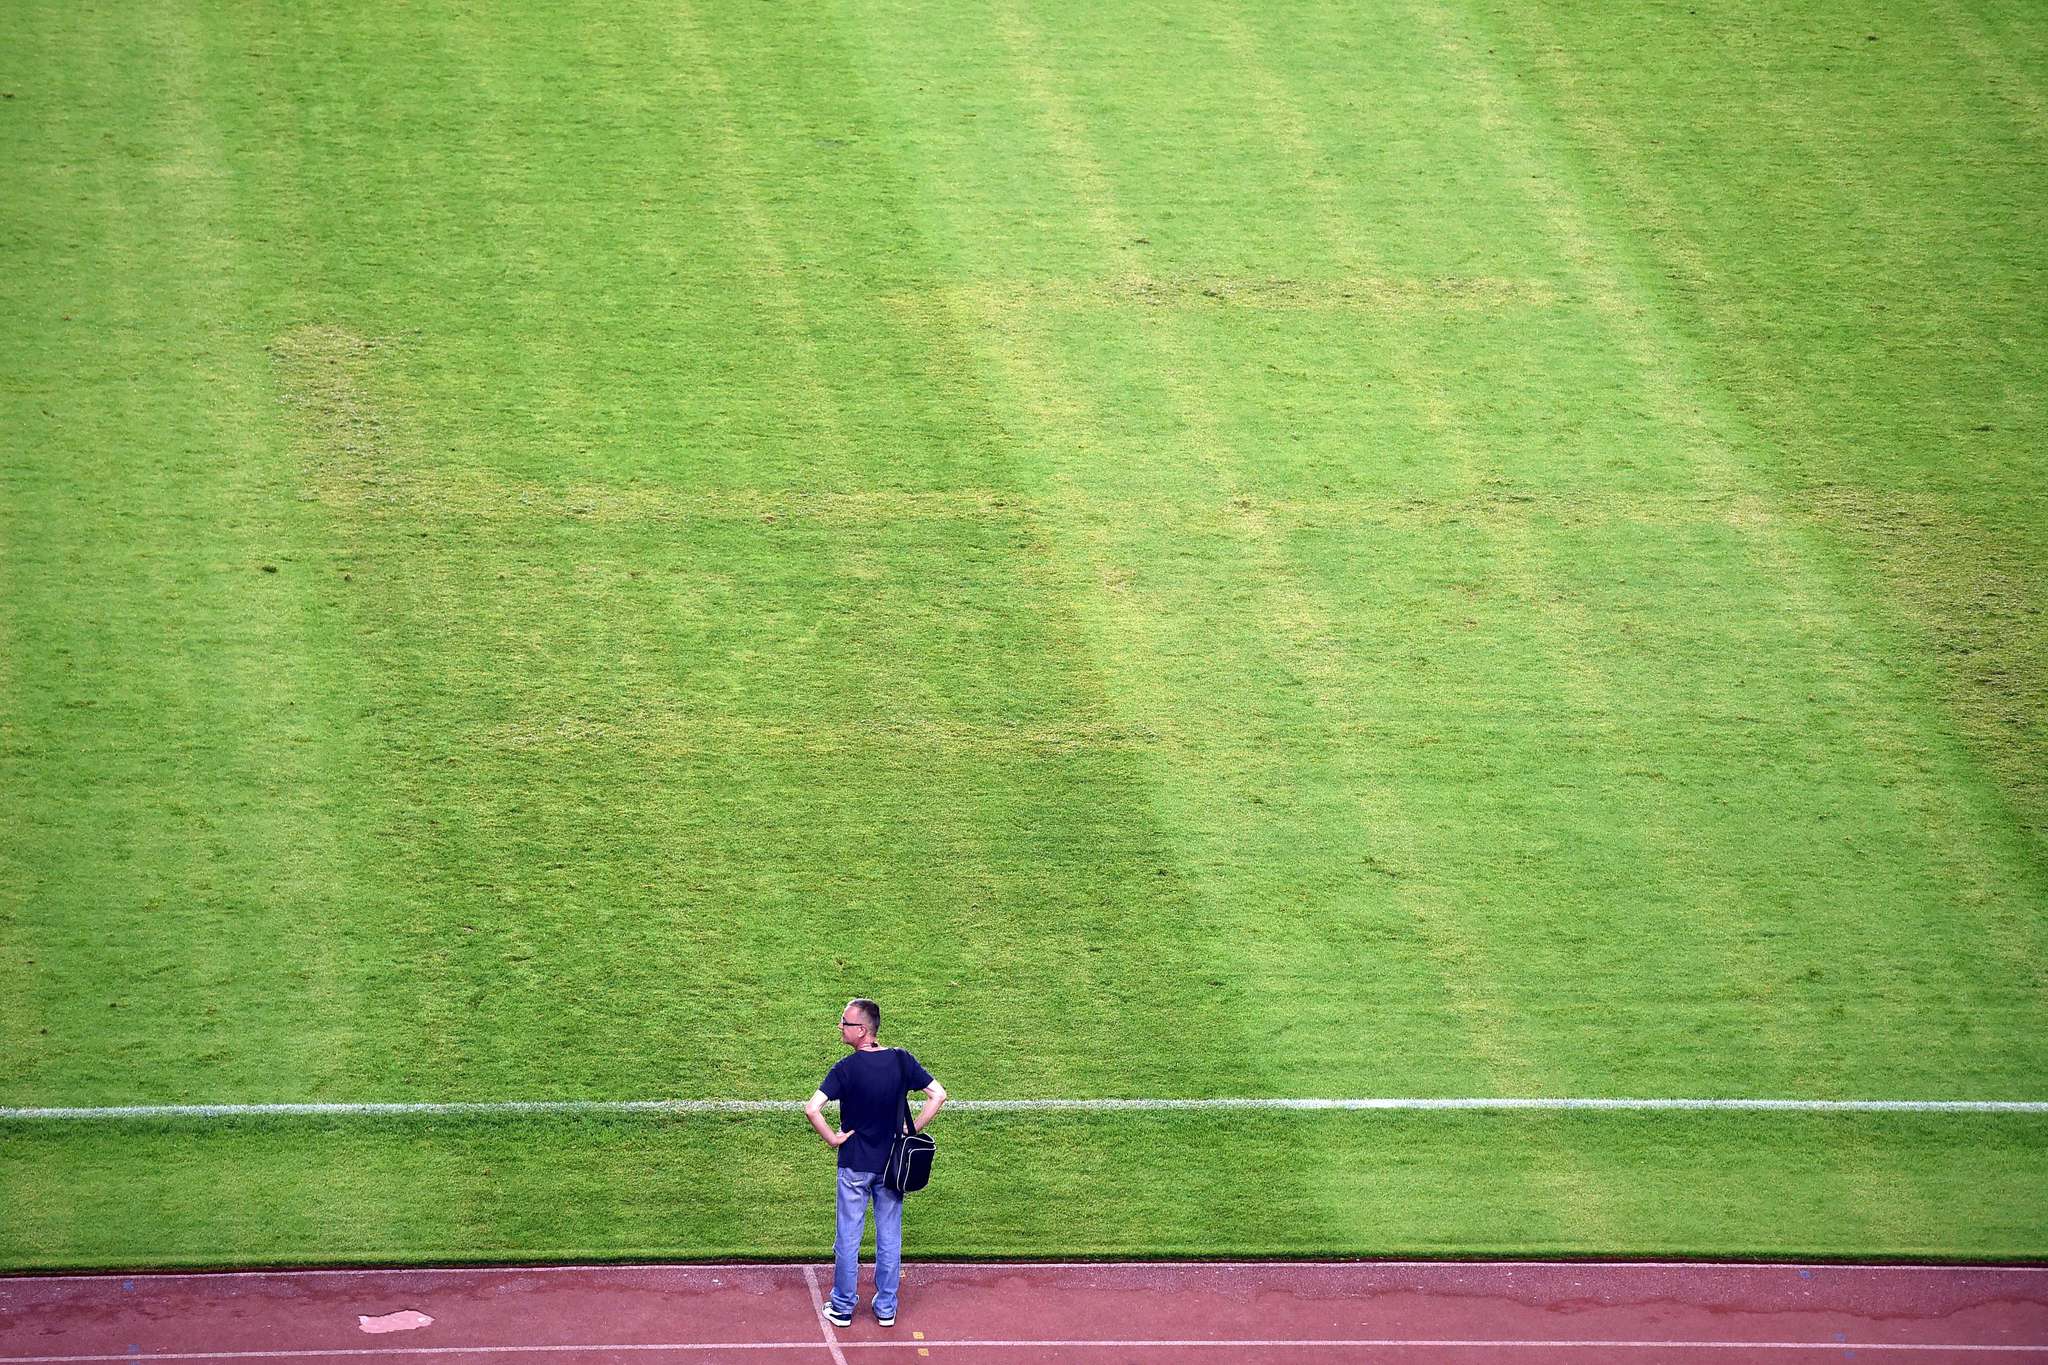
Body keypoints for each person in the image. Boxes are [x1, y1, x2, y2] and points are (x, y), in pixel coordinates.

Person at [804, 997, 946, 1329]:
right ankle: (885, 1308)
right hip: (892, 1165)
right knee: (889, 1236)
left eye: (845, 1023)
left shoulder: (845, 1069)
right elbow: (937, 1094)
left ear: (863, 1030)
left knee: (848, 1237)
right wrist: (912, 1129)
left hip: (854, 1163)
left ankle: (841, 1306)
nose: (840, 1027)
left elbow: (812, 1109)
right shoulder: (900, 1061)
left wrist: (833, 1138)